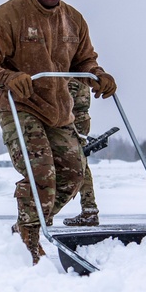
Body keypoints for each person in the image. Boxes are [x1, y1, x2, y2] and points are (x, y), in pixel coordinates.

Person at [0, 0, 117, 263]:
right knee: (41, 173)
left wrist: (98, 76)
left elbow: (85, 60)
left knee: (72, 174)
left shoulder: (73, 19)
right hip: (18, 105)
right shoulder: (7, 17)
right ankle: (28, 244)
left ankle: (28, 226)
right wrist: (7, 77)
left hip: (58, 109)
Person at [63, 79, 101, 226]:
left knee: (74, 164)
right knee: (81, 163)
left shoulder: (70, 72)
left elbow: (66, 100)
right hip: (79, 118)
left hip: (70, 119)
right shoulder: (79, 70)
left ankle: (46, 211)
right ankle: (89, 208)